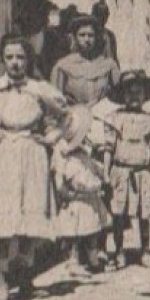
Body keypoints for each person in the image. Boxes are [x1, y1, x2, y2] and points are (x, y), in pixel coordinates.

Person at [0, 35, 65, 300]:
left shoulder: (40, 89)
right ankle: (1, 280)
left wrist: (51, 137)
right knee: (3, 220)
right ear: (2, 59)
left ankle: (26, 276)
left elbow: (65, 117)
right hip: (3, 152)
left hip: (32, 152)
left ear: (28, 59)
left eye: (20, 57)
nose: (15, 63)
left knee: (30, 217)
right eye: (9, 57)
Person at [106, 71, 150, 267]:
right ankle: (119, 251)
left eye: (138, 93)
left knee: (144, 212)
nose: (134, 97)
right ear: (122, 95)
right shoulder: (115, 118)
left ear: (145, 95)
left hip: (143, 171)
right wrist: (107, 173)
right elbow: (108, 147)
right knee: (119, 213)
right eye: (129, 93)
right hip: (121, 171)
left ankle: (146, 250)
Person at [53, 106, 110, 275]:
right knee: (74, 232)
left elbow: (93, 166)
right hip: (75, 198)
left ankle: (93, 259)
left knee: (92, 229)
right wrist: (64, 192)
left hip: (90, 197)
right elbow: (59, 177)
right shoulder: (62, 154)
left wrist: (102, 174)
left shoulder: (85, 152)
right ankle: (73, 260)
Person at [53, 14, 121, 109]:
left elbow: (118, 96)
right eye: (82, 35)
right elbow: (56, 100)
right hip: (74, 117)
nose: (86, 39)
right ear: (75, 37)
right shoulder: (63, 65)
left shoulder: (109, 65)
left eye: (91, 35)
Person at [90, 1, 121, 65]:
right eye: (100, 15)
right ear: (94, 15)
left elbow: (114, 56)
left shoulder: (110, 35)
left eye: (105, 15)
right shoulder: (89, 35)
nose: (103, 18)